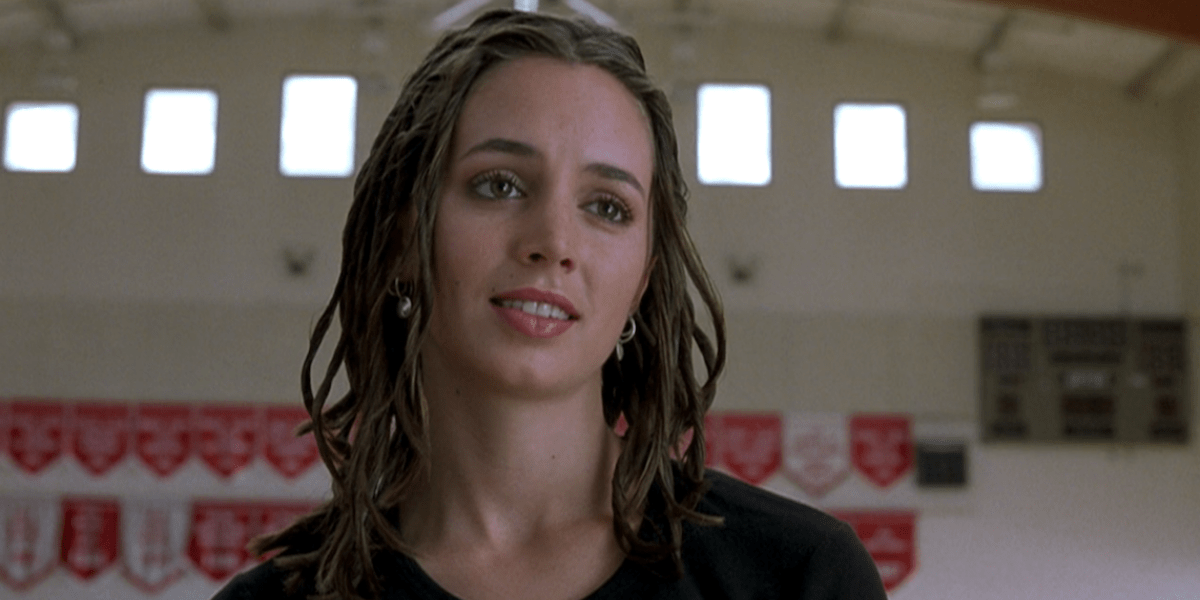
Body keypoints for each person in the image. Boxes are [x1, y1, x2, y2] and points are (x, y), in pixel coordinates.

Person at [213, 8, 886, 600]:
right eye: (500, 185)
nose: (554, 242)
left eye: (606, 206)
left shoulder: (799, 578)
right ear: (402, 242)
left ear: (644, 280)